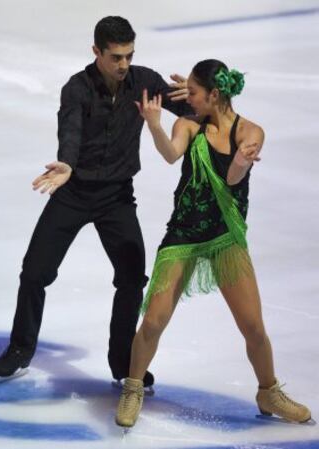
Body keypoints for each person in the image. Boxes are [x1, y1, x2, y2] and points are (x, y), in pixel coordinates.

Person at [0, 16, 191, 388]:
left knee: (132, 278)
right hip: (74, 193)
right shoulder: (77, 89)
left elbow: (192, 113)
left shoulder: (145, 82)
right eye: (115, 57)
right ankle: (20, 349)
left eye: (129, 55)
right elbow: (70, 130)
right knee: (34, 273)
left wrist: (201, 94)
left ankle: (121, 362)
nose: (123, 64)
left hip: (117, 197)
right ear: (96, 51)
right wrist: (66, 162)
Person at [115, 59, 311, 426]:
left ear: (215, 95)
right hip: (184, 235)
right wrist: (155, 125)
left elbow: (234, 179)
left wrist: (240, 160)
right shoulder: (188, 124)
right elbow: (171, 154)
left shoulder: (250, 132)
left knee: (253, 327)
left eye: (193, 92)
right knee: (154, 321)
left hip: (225, 238)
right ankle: (133, 387)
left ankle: (268, 390)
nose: (187, 98)